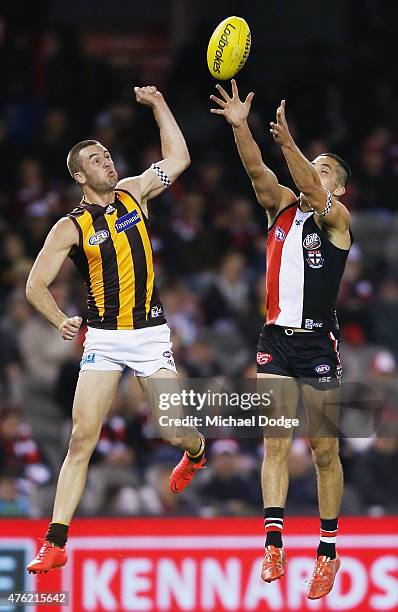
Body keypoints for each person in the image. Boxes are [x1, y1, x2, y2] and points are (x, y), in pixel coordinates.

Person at [26, 86, 206, 574]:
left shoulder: (135, 191)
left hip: (149, 334)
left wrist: (160, 105)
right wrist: (59, 317)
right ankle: (56, 540)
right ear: (80, 175)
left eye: (106, 154)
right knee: (81, 439)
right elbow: (35, 285)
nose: (106, 161)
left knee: (173, 432)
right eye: (95, 159)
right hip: (103, 338)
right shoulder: (70, 226)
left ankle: (195, 452)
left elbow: (180, 156)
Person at [210, 79, 352, 600]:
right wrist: (241, 127)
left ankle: (328, 550)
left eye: (325, 169)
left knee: (323, 451)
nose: (314, 174)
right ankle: (273, 540)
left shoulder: (337, 222)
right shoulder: (281, 211)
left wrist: (291, 144)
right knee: (274, 442)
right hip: (276, 338)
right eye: (310, 165)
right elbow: (255, 171)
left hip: (318, 346)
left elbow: (311, 190)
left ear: (337, 187)